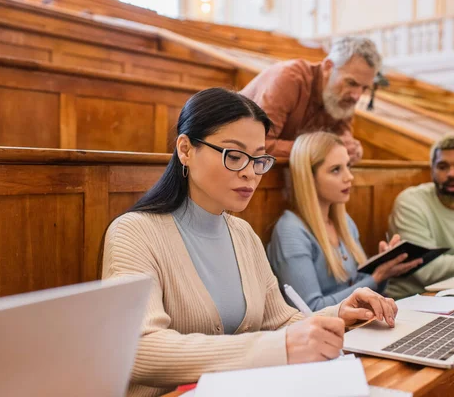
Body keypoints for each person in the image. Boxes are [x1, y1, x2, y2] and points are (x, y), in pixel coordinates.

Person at [101, 88, 398, 397]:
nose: (250, 173)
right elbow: (141, 347)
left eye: (258, 159)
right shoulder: (133, 232)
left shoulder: (243, 234)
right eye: (234, 156)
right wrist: (277, 348)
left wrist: (338, 315)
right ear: (186, 149)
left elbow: (280, 321)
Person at [267, 131, 422, 311]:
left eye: (348, 166)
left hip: (358, 324)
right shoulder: (290, 230)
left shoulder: (343, 221)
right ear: (309, 177)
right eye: (336, 170)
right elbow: (310, 309)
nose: (349, 177)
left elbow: (363, 290)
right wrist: (376, 277)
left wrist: (384, 268)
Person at [385, 134, 454, 299]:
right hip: (412, 300)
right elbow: (428, 271)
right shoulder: (410, 202)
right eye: (443, 166)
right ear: (432, 170)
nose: (452, 174)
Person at [240, 36, 382, 162]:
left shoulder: (342, 99)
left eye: (364, 88)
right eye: (351, 83)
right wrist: (319, 150)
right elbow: (258, 145)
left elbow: (341, 143)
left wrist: (352, 150)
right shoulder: (289, 79)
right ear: (328, 67)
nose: (357, 96)